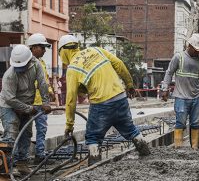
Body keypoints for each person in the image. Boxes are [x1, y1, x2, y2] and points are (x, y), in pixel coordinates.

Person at [58, 34, 150, 165]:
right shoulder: (96, 50)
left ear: (63, 52)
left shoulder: (72, 69)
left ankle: (94, 168)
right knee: (130, 129)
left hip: (101, 104)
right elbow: (119, 64)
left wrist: (69, 125)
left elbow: (71, 100)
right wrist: (129, 85)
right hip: (120, 97)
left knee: (93, 137)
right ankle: (147, 155)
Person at [0, 45, 51, 175]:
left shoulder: (35, 65)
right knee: (12, 132)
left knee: (26, 134)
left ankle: (22, 163)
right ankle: (8, 166)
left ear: (29, 61)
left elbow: (42, 83)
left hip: (26, 103)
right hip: (9, 106)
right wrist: (29, 108)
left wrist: (45, 102)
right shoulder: (9, 75)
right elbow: (10, 99)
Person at [162, 33, 199, 149]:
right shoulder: (179, 57)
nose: (198, 52)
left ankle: (194, 148)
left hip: (196, 98)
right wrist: (165, 88)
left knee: (196, 123)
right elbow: (169, 72)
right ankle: (178, 147)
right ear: (189, 45)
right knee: (180, 123)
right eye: (196, 49)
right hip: (181, 97)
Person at [26, 33, 55, 164]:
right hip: (30, 103)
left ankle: (40, 155)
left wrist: (50, 91)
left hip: (41, 103)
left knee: (41, 130)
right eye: (42, 47)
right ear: (33, 48)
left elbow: (45, 81)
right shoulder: (27, 63)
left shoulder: (41, 62)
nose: (44, 50)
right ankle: (22, 157)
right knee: (25, 131)